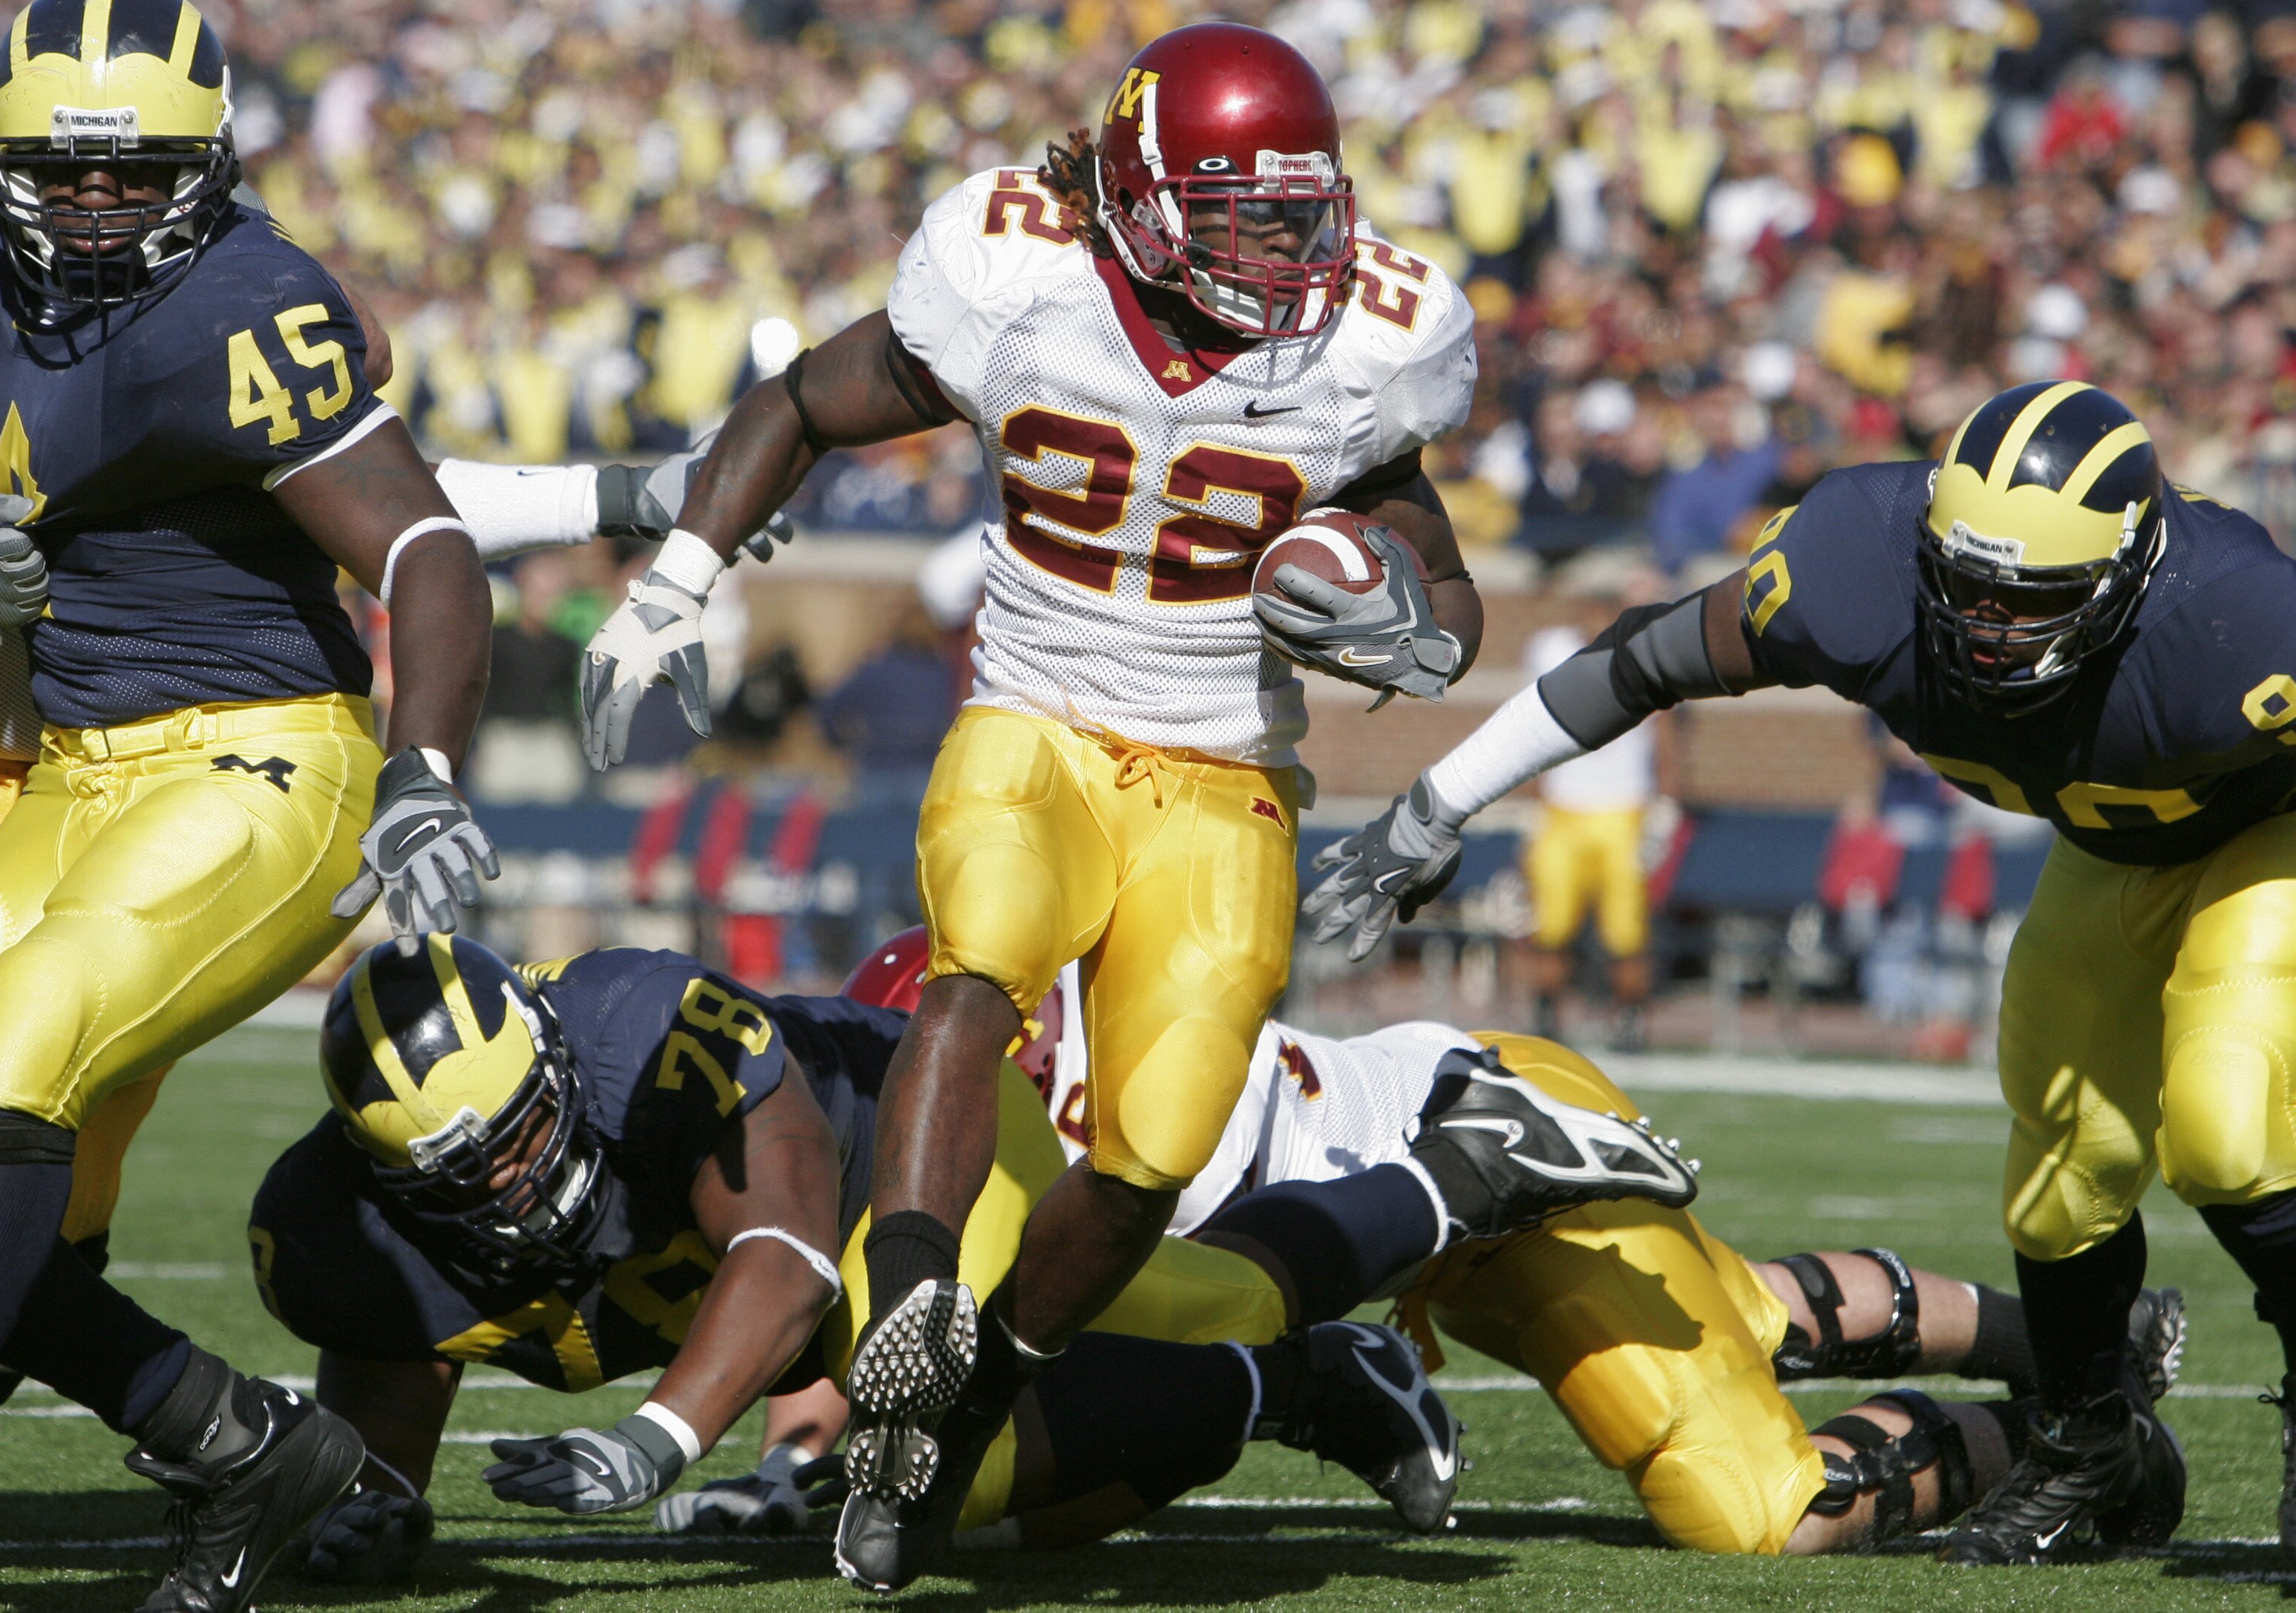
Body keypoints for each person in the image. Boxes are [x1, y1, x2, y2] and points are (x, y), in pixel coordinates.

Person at [573, 21, 1483, 1586]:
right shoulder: (1021, 276)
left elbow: (1445, 578)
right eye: (1244, 212)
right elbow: (801, 399)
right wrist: (674, 582)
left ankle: (954, 1405)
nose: (1289, 249)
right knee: (975, 955)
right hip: (1039, 713)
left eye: (1303, 209)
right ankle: (918, 1285)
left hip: (1223, 771)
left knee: (1154, 1144)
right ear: (1140, 197)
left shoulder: (1367, 344)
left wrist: (1417, 632)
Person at [1303, 377, 2296, 1564]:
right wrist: (1436, 802)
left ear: (2127, 577)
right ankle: (2092, 1454)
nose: (1982, 625)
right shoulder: (1854, 563)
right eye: (1963, 588)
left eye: (2023, 601)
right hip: (2107, 848)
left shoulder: (2244, 625)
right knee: (2059, 1176)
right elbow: (1640, 661)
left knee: (2226, 1129)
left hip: (2261, 836)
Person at [673, 927, 2185, 1557]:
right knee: (1744, 1309)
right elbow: (877, 1334)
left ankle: (2072, 1434)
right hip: (1403, 1187)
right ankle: (2095, 1356)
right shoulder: (991, 1099)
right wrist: (782, 1471)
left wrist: (795, 1461)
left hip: (1499, 1148)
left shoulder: (1077, 1114)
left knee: (1759, 1505)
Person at [246, 935, 1684, 1584]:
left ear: (562, 1067)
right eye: (463, 1170)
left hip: (905, 1160)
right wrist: (373, 1506)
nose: (516, 1173)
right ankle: (1296, 1382)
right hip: (776, 1281)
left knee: (1082, 1365)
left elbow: (789, 1251)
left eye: (526, 1129)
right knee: (946, 1503)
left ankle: (1463, 1171)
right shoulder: (337, 1235)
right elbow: (391, 1357)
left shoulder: (646, 1033)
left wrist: (658, 1438)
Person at [0, 350, 727, 1482]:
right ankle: (232, 1433)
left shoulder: (139, 345)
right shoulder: (48, 302)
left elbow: (378, 499)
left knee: (26, 1191)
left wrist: (615, 498)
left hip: (96, 803)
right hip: (36, 779)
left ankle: (226, 1434)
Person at [1514, 624, 1658, 1049]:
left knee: (1626, 933)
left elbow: (1664, 731)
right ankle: (1545, 1017)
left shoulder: (1648, 641)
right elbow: (1528, 727)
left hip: (1623, 809)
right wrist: (1533, 801)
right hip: (1563, 810)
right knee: (1551, 926)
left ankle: (1629, 1021)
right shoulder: (1550, 647)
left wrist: (1665, 803)